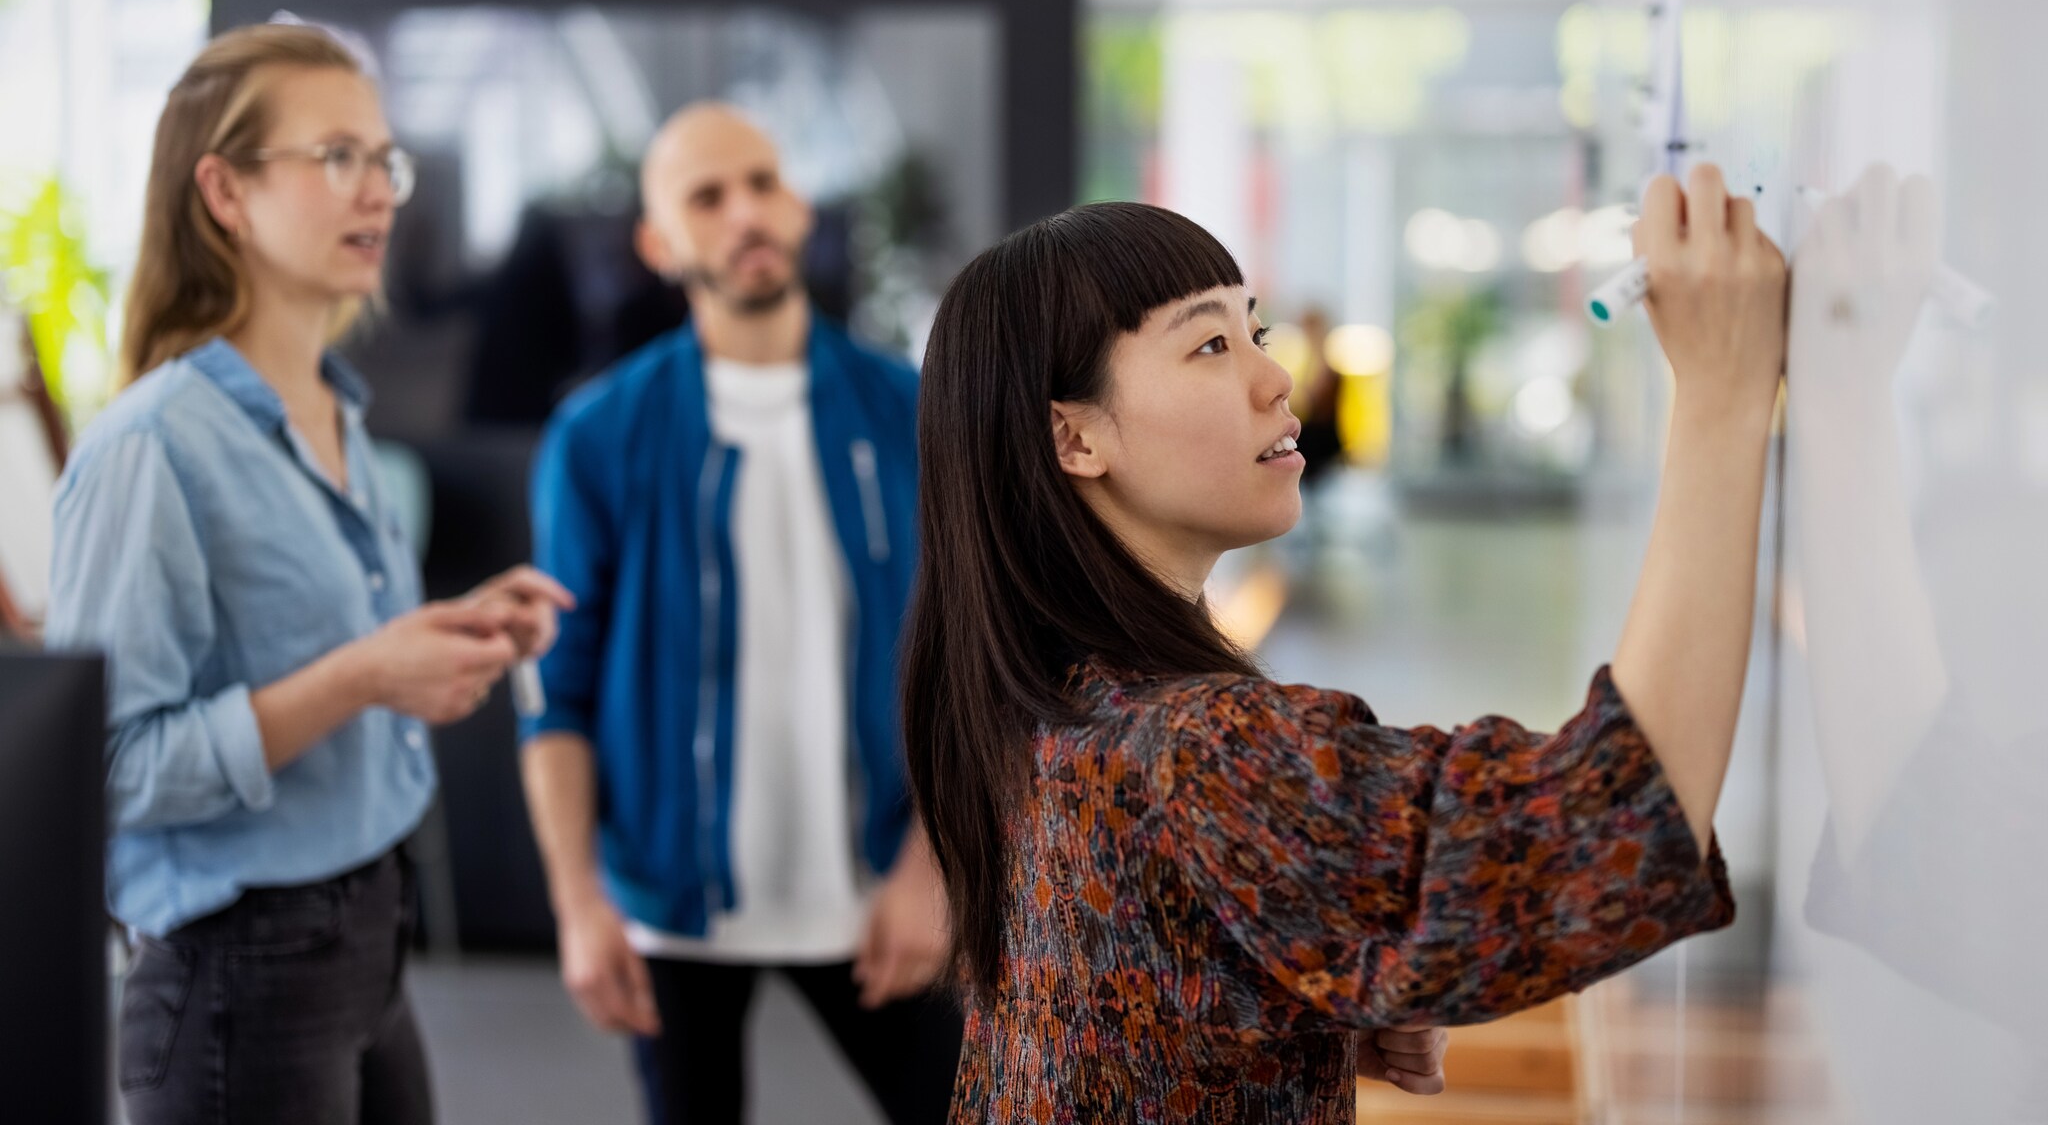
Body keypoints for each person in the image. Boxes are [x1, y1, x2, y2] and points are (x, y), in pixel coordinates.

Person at [902, 172, 1786, 1121]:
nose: (1276, 378)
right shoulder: (1198, 748)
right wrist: (1725, 397)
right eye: (1208, 344)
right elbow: (1610, 818)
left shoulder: (1042, 695)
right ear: (1073, 439)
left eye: (1256, 333)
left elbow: (1096, 1008)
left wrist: (1268, 987)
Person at [44, 23, 571, 1125]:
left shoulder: (335, 408)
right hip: (238, 969)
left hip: (369, 936)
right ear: (224, 191)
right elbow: (103, 769)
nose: (378, 190)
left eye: (386, 160)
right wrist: (366, 677)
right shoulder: (151, 448)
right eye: (336, 156)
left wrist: (442, 632)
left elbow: (323, 645)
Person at [520, 103, 961, 1125]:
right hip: (671, 910)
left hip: (877, 887)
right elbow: (557, 692)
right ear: (657, 242)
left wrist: (930, 867)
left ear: (799, 207)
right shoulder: (597, 437)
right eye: (706, 197)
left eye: (762, 183)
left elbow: (968, 666)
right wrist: (579, 905)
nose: (744, 213)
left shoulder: (909, 410)